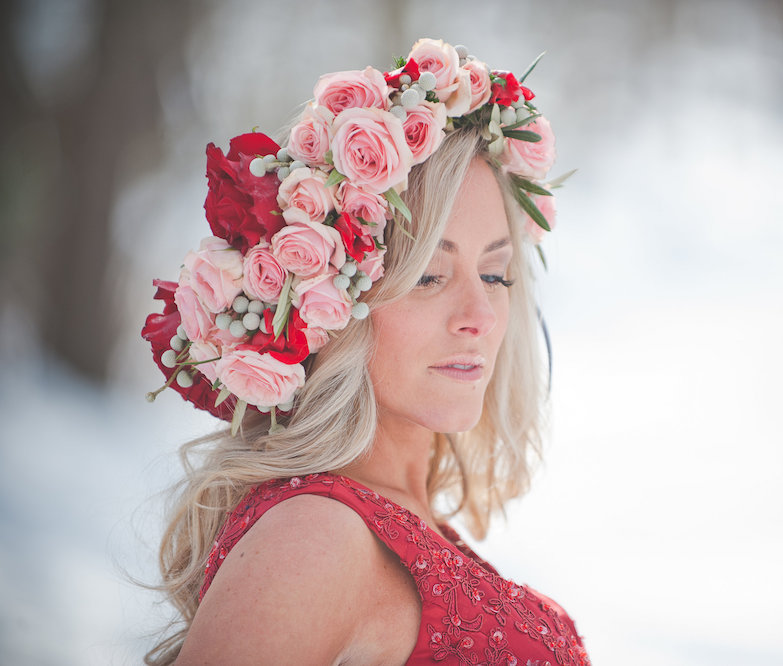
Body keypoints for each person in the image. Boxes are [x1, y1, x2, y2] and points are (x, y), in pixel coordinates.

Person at [142, 38, 588, 665]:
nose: (480, 317)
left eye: (495, 275)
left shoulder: (399, 522)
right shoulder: (313, 537)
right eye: (430, 277)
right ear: (332, 309)